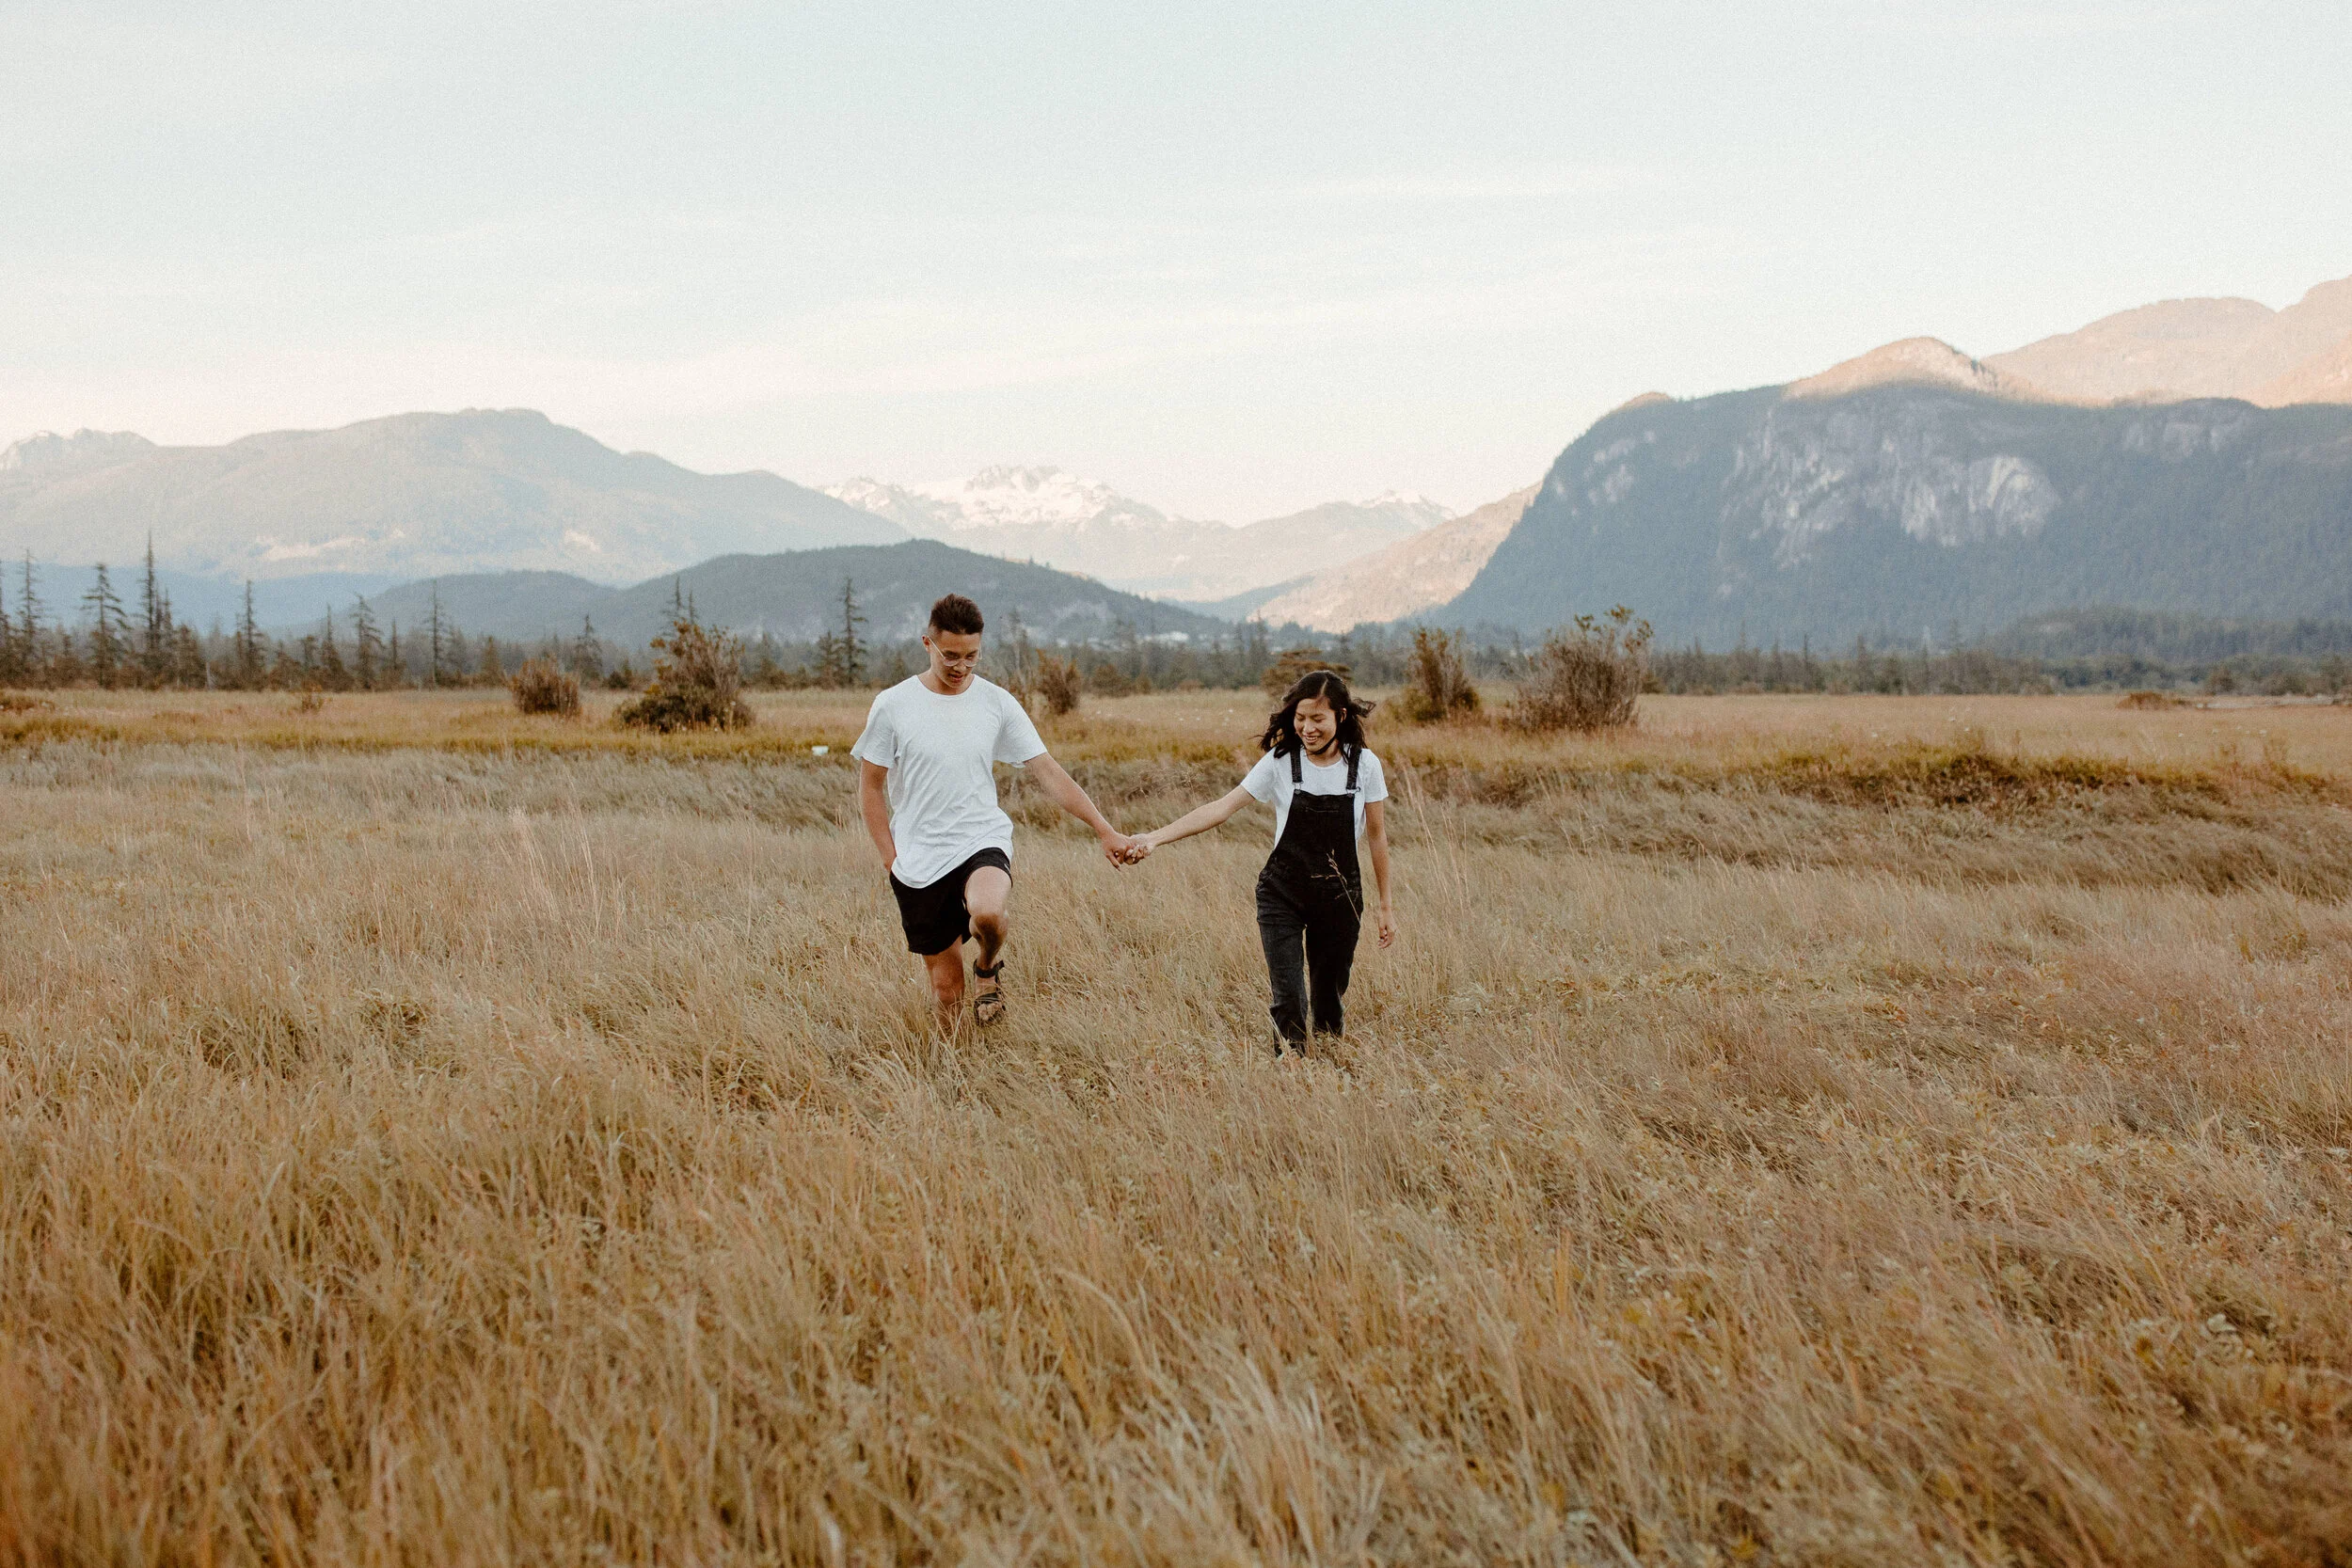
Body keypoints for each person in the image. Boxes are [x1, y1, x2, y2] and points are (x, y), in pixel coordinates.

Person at [852, 593, 1140, 1032]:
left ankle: (987, 966)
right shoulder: (893, 705)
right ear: (927, 644)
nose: (960, 667)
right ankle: (950, 1072)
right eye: (950, 655)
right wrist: (890, 859)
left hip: (979, 839)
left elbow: (1047, 770)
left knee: (987, 914)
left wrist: (1104, 829)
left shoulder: (997, 703)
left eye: (972, 657)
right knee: (946, 993)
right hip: (919, 856)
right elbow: (870, 786)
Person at [1129, 670, 1394, 1051]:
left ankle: (1329, 1071)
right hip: (1282, 892)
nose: (1307, 728)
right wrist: (1153, 838)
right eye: (1300, 718)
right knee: (1289, 1001)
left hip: (1340, 898)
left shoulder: (1365, 765)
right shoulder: (1281, 761)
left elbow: (1377, 836)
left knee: (1327, 1004)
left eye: (1318, 719)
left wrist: (1385, 906)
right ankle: (1290, 1073)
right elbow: (1222, 808)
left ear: (1341, 716)